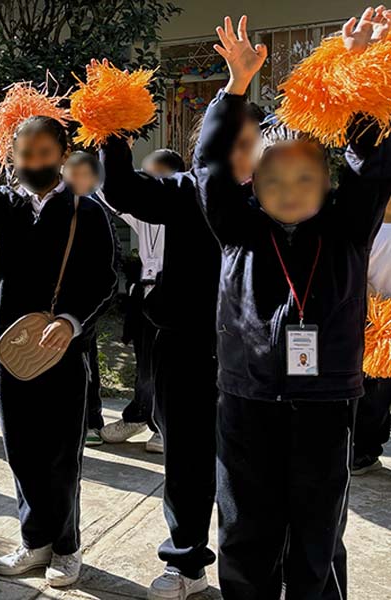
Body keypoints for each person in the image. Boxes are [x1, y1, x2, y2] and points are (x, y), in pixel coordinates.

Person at [198, 13, 391, 598]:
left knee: (316, 532)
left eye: (304, 177)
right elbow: (211, 168)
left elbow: (372, 162)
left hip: (325, 399)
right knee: (243, 529)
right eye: (273, 179)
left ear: (327, 183)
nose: (288, 189)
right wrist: (235, 89)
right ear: (253, 186)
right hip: (248, 397)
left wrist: (360, 68)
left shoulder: (347, 229)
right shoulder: (238, 229)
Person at [0, 114, 119, 587]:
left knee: (60, 455)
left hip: (63, 354)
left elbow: (104, 279)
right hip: (8, 353)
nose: (33, 161)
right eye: (24, 153)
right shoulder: (2, 203)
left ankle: (67, 548)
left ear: (63, 153)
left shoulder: (85, 211)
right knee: (22, 452)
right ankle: (36, 542)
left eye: (43, 152)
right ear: (12, 155)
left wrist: (71, 321)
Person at [99, 68, 263, 598]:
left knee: (250, 469)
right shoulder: (188, 190)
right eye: (234, 139)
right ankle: (185, 564)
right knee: (187, 460)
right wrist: (113, 125)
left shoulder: (279, 193)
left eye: (252, 141)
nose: (245, 151)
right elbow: (123, 189)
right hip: (186, 345)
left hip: (255, 355)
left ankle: (256, 570)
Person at [98, 150, 185, 453]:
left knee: (169, 364)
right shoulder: (141, 212)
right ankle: (139, 414)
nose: (143, 181)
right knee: (145, 360)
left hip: (175, 294)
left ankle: (164, 425)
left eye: (152, 174)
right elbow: (109, 194)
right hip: (145, 294)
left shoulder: (187, 208)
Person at [62, 151, 106, 447]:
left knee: (84, 362)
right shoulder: (53, 206)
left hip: (80, 308)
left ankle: (92, 420)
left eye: (82, 173)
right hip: (49, 307)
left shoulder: (94, 211)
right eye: (71, 171)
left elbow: (105, 271)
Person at [356, 196, 391, 475]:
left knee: (373, 389)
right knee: (376, 390)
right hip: (376, 322)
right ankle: (365, 450)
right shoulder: (373, 230)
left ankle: (363, 451)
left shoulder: (368, 230)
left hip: (373, 319)